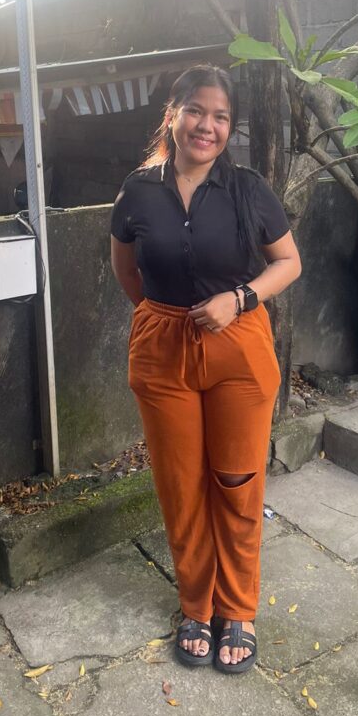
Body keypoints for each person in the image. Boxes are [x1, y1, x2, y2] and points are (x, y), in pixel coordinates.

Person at [110, 64, 301, 674]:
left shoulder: (248, 189)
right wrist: (160, 318)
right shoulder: (138, 191)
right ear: (173, 114)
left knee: (238, 482)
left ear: (229, 128)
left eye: (221, 117)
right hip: (163, 347)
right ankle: (196, 605)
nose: (207, 126)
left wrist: (239, 298)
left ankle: (238, 609)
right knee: (180, 484)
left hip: (238, 348)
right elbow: (126, 270)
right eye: (196, 110)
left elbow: (288, 262)